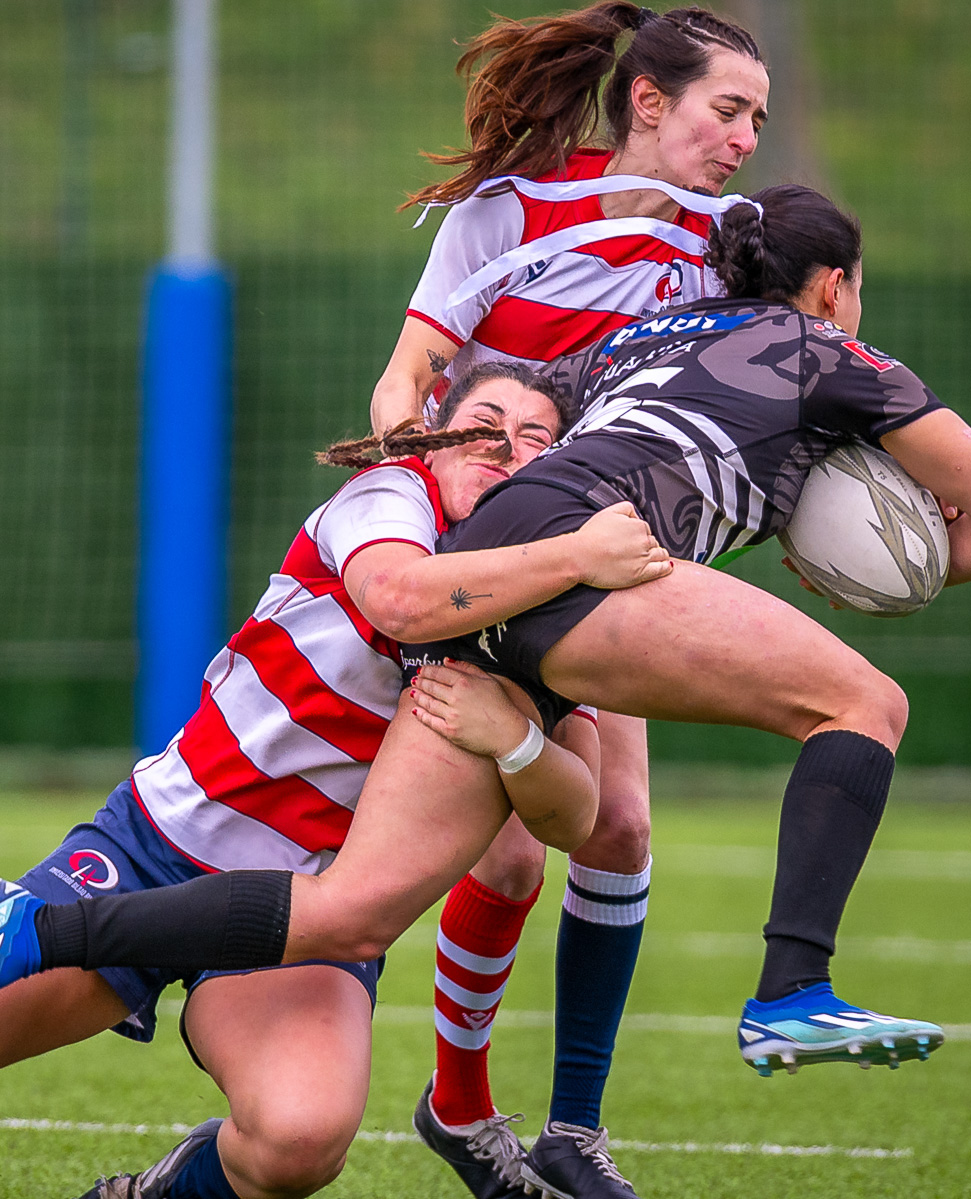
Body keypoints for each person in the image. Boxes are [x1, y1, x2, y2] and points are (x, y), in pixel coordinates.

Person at [0, 185, 971, 1199]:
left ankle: (35, 929)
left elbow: (521, 420)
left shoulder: (646, 336)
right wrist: (884, 572)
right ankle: (791, 989)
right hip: (577, 566)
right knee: (863, 704)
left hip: (494, 570)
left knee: (354, 909)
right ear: (831, 286)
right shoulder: (838, 358)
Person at [0, 366, 673, 1199]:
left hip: (306, 922)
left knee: (299, 1141)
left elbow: (581, 814)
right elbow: (399, 601)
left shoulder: (546, 620)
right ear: (431, 433)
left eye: (539, 440)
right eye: (485, 425)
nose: (508, 447)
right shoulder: (388, 500)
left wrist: (516, 740)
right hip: (156, 853)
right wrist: (580, 555)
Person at [370, 6, 768, 1195]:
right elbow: (410, 374)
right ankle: (459, 1100)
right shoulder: (509, 212)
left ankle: (574, 1131)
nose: (747, 137)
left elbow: (771, 378)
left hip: (606, 560)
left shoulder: (729, 240)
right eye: (727, 109)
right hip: (489, 564)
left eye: (758, 117)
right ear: (650, 102)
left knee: (621, 828)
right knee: (501, 864)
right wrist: (418, 483)